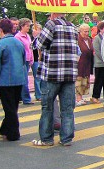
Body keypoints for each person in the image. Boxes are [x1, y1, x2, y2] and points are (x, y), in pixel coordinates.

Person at [32, 12, 79, 146]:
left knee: (47, 107)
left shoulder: (51, 25)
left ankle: (46, 139)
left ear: (53, 13)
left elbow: (40, 45)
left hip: (52, 73)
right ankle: (66, 138)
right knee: (67, 108)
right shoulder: (73, 26)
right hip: (69, 73)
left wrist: (36, 36)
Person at [0, 19, 28, 141]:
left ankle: (13, 133)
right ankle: (4, 129)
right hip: (19, 78)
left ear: (1, 30)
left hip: (5, 80)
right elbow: (23, 60)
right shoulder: (18, 43)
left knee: (9, 108)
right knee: (13, 106)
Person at [14, 18, 34, 105]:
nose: (28, 28)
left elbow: (30, 48)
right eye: (27, 26)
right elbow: (19, 50)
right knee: (24, 79)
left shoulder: (27, 36)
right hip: (23, 60)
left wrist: (32, 57)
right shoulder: (17, 37)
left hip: (28, 59)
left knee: (25, 79)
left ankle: (23, 97)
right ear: (22, 26)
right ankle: (26, 98)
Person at [76, 23, 94, 106]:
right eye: (85, 32)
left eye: (88, 31)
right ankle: (78, 98)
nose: (86, 33)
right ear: (80, 31)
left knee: (85, 80)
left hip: (87, 63)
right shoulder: (77, 40)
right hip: (80, 63)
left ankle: (81, 97)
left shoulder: (89, 40)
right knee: (79, 80)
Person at [31, 22, 43, 101]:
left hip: (42, 59)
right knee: (37, 77)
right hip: (35, 59)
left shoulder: (42, 38)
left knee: (42, 78)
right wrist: (35, 38)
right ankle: (38, 94)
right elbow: (33, 47)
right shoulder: (32, 39)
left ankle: (42, 92)